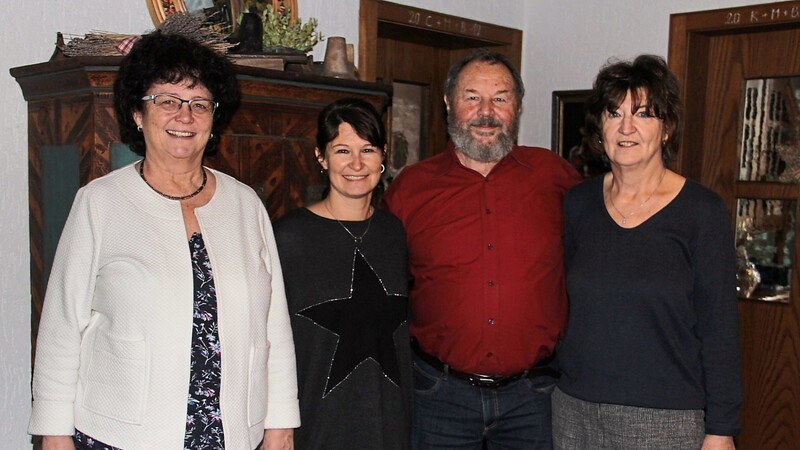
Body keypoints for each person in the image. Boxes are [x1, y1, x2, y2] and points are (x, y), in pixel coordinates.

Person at [27, 31, 300, 450]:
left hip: (229, 434)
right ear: (138, 113)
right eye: (167, 101)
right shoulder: (100, 204)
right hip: (122, 434)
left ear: (214, 118)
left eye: (199, 104)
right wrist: (53, 433)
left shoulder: (246, 205)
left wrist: (280, 422)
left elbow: (273, 327)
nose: (184, 116)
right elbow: (62, 329)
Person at [383, 50, 582, 449]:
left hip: (535, 398)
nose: (485, 112)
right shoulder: (411, 189)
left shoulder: (557, 179)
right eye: (472, 97)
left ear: (518, 107)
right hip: (439, 396)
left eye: (501, 98)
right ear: (448, 103)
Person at [553, 54, 742, 450]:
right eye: (614, 113)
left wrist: (721, 429)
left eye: (643, 114)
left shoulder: (701, 212)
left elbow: (720, 329)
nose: (626, 127)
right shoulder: (578, 204)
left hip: (666, 420)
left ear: (667, 128)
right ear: (599, 127)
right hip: (574, 411)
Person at [273, 98, 411, 449]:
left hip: (388, 421)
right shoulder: (290, 235)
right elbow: (267, 339)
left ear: (383, 156)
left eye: (367, 149)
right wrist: (277, 423)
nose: (356, 164)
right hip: (316, 423)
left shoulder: (393, 233)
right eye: (342, 150)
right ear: (321, 157)